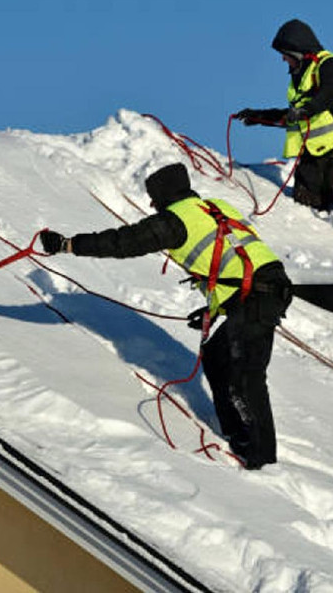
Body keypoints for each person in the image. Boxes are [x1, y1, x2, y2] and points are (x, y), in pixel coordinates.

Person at [41, 163, 292, 470]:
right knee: (216, 356)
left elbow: (124, 242)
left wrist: (68, 245)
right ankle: (236, 433)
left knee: (246, 377)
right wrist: (215, 308)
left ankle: (262, 459)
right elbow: (235, 262)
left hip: (255, 297)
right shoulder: (213, 208)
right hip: (261, 291)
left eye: (154, 199)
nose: (152, 205)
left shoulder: (175, 221)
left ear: (162, 197)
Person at [235, 19, 333, 255]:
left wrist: (307, 110)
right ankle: (323, 263)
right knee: (306, 216)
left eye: (285, 54)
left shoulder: (330, 66)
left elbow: (329, 93)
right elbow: (294, 116)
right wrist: (259, 116)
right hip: (311, 162)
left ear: (298, 51)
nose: (282, 59)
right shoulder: (300, 78)